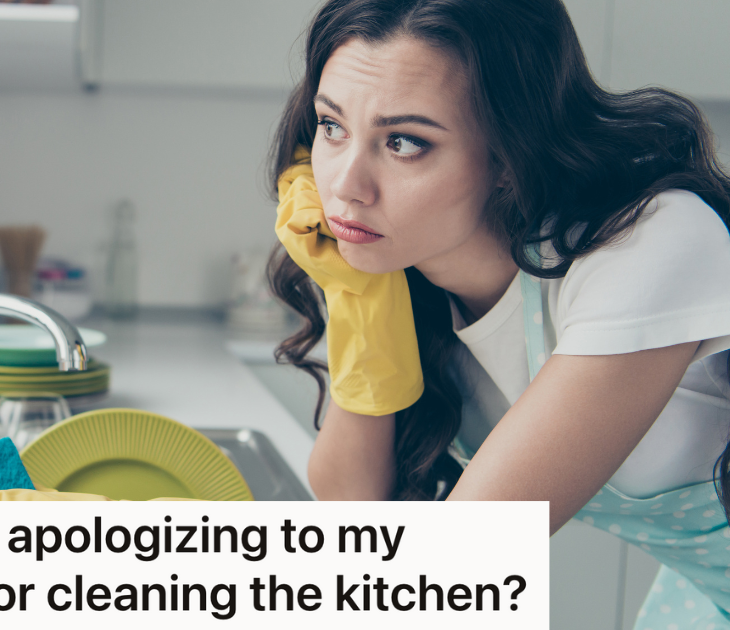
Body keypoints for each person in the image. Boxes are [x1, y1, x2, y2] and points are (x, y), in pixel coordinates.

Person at [266, 0, 730, 626]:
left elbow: (454, 566)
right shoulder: (415, 285)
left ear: (509, 156)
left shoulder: (647, 244)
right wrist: (359, 296)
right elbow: (354, 510)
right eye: (331, 126)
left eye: (404, 142)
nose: (346, 185)